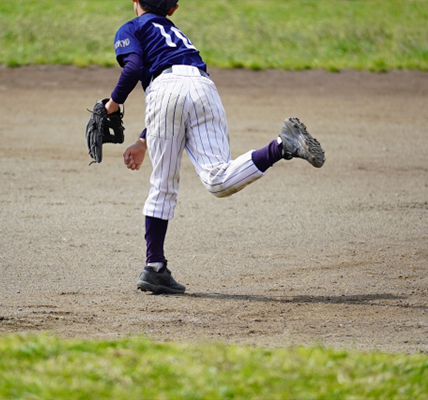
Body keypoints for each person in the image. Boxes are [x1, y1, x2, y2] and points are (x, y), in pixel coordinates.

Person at [103, 0, 325, 294]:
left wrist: (111, 105)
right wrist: (144, 140)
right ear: (172, 9)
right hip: (203, 88)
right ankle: (282, 146)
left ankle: (154, 268)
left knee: (163, 185)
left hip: (165, 92)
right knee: (218, 180)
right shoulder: (174, 34)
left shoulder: (132, 27)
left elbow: (135, 68)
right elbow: (178, 84)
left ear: (135, 2)